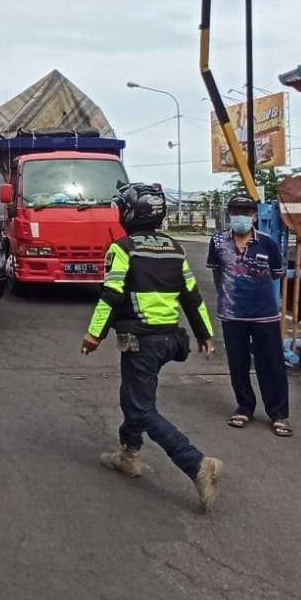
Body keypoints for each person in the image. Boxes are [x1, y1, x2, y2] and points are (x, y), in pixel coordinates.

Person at [81, 181, 225, 512]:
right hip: (171, 340)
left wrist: (93, 335)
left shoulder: (123, 248)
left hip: (141, 341)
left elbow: (112, 295)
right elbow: (191, 296)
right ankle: (129, 456)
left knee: (141, 407)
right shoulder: (175, 248)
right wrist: (205, 334)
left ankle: (197, 463)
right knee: (134, 397)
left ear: (129, 212)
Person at [208, 193, 290, 437]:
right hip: (232, 314)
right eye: (235, 212)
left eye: (245, 212)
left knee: (272, 364)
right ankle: (244, 407)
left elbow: (276, 273)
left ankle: (278, 414)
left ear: (254, 216)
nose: (239, 217)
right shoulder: (218, 242)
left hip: (265, 315)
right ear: (229, 215)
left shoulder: (267, 243)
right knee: (238, 363)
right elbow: (216, 274)